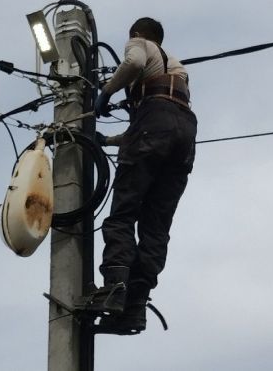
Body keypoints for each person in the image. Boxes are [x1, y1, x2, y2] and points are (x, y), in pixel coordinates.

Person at [87, 17, 197, 335]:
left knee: (123, 215)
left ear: (137, 34)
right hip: (184, 134)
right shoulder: (178, 71)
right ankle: (135, 306)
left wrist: (106, 92)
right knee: (156, 227)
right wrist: (107, 141)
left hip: (153, 126)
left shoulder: (140, 44)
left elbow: (133, 62)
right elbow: (155, 127)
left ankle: (115, 288)